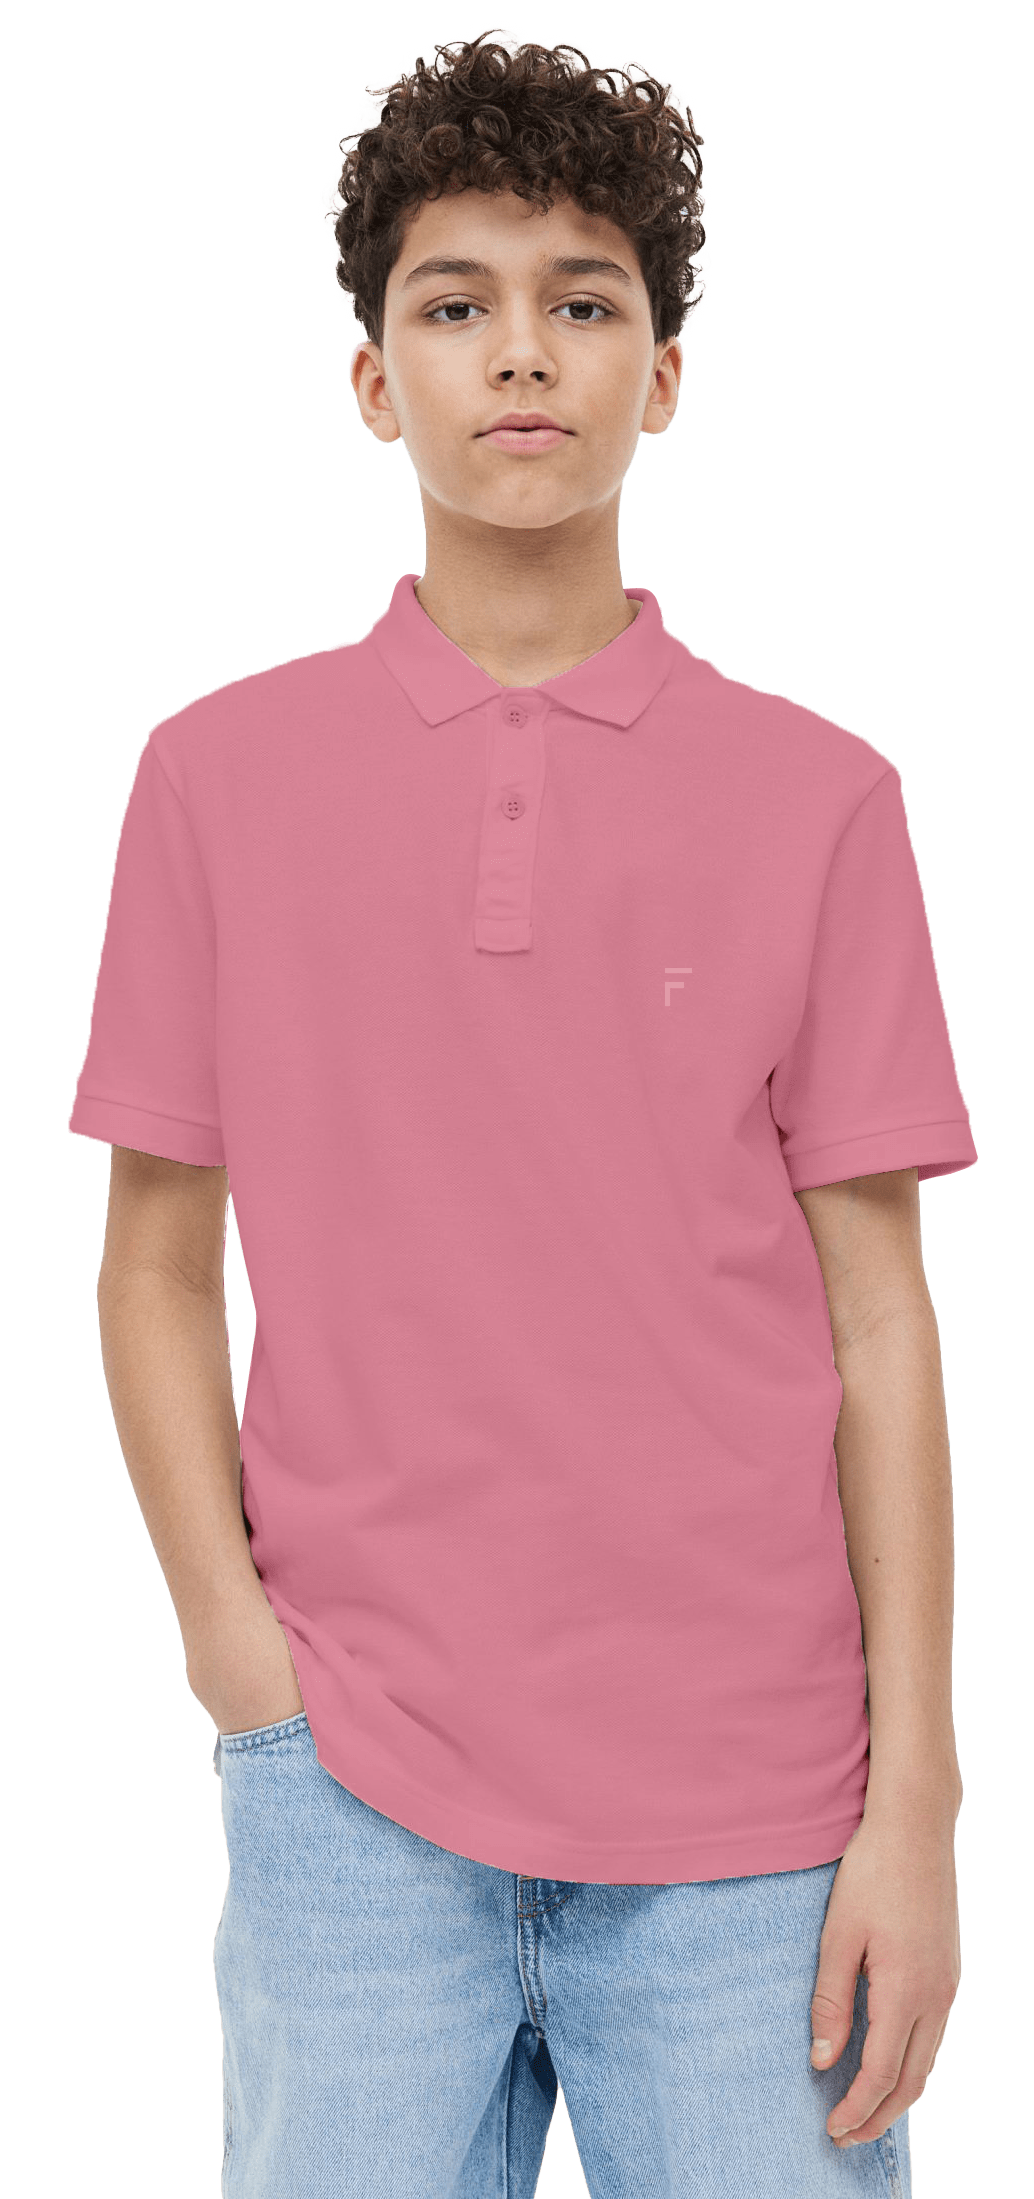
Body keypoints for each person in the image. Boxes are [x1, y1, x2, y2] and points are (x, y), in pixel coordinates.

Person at [67, 27, 977, 2197]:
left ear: (665, 374)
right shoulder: (212, 777)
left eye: (583, 300)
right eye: (452, 304)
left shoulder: (823, 798)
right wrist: (240, 1667)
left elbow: (881, 1324)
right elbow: (154, 1268)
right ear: (372, 379)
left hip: (756, 1809)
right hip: (350, 1786)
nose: (520, 353)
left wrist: (916, 1800)